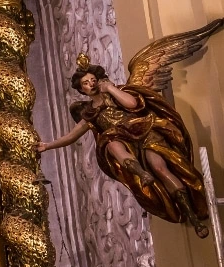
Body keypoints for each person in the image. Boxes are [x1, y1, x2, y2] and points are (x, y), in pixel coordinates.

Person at [37, 52, 211, 237]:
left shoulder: (114, 94)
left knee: (160, 168)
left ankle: (193, 217)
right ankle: (141, 174)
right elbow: (72, 136)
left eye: (93, 80)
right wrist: (47, 146)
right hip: (123, 142)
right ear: (82, 90)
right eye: (86, 83)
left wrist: (110, 88)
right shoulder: (89, 114)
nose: (91, 84)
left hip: (143, 133)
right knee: (109, 144)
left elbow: (132, 103)